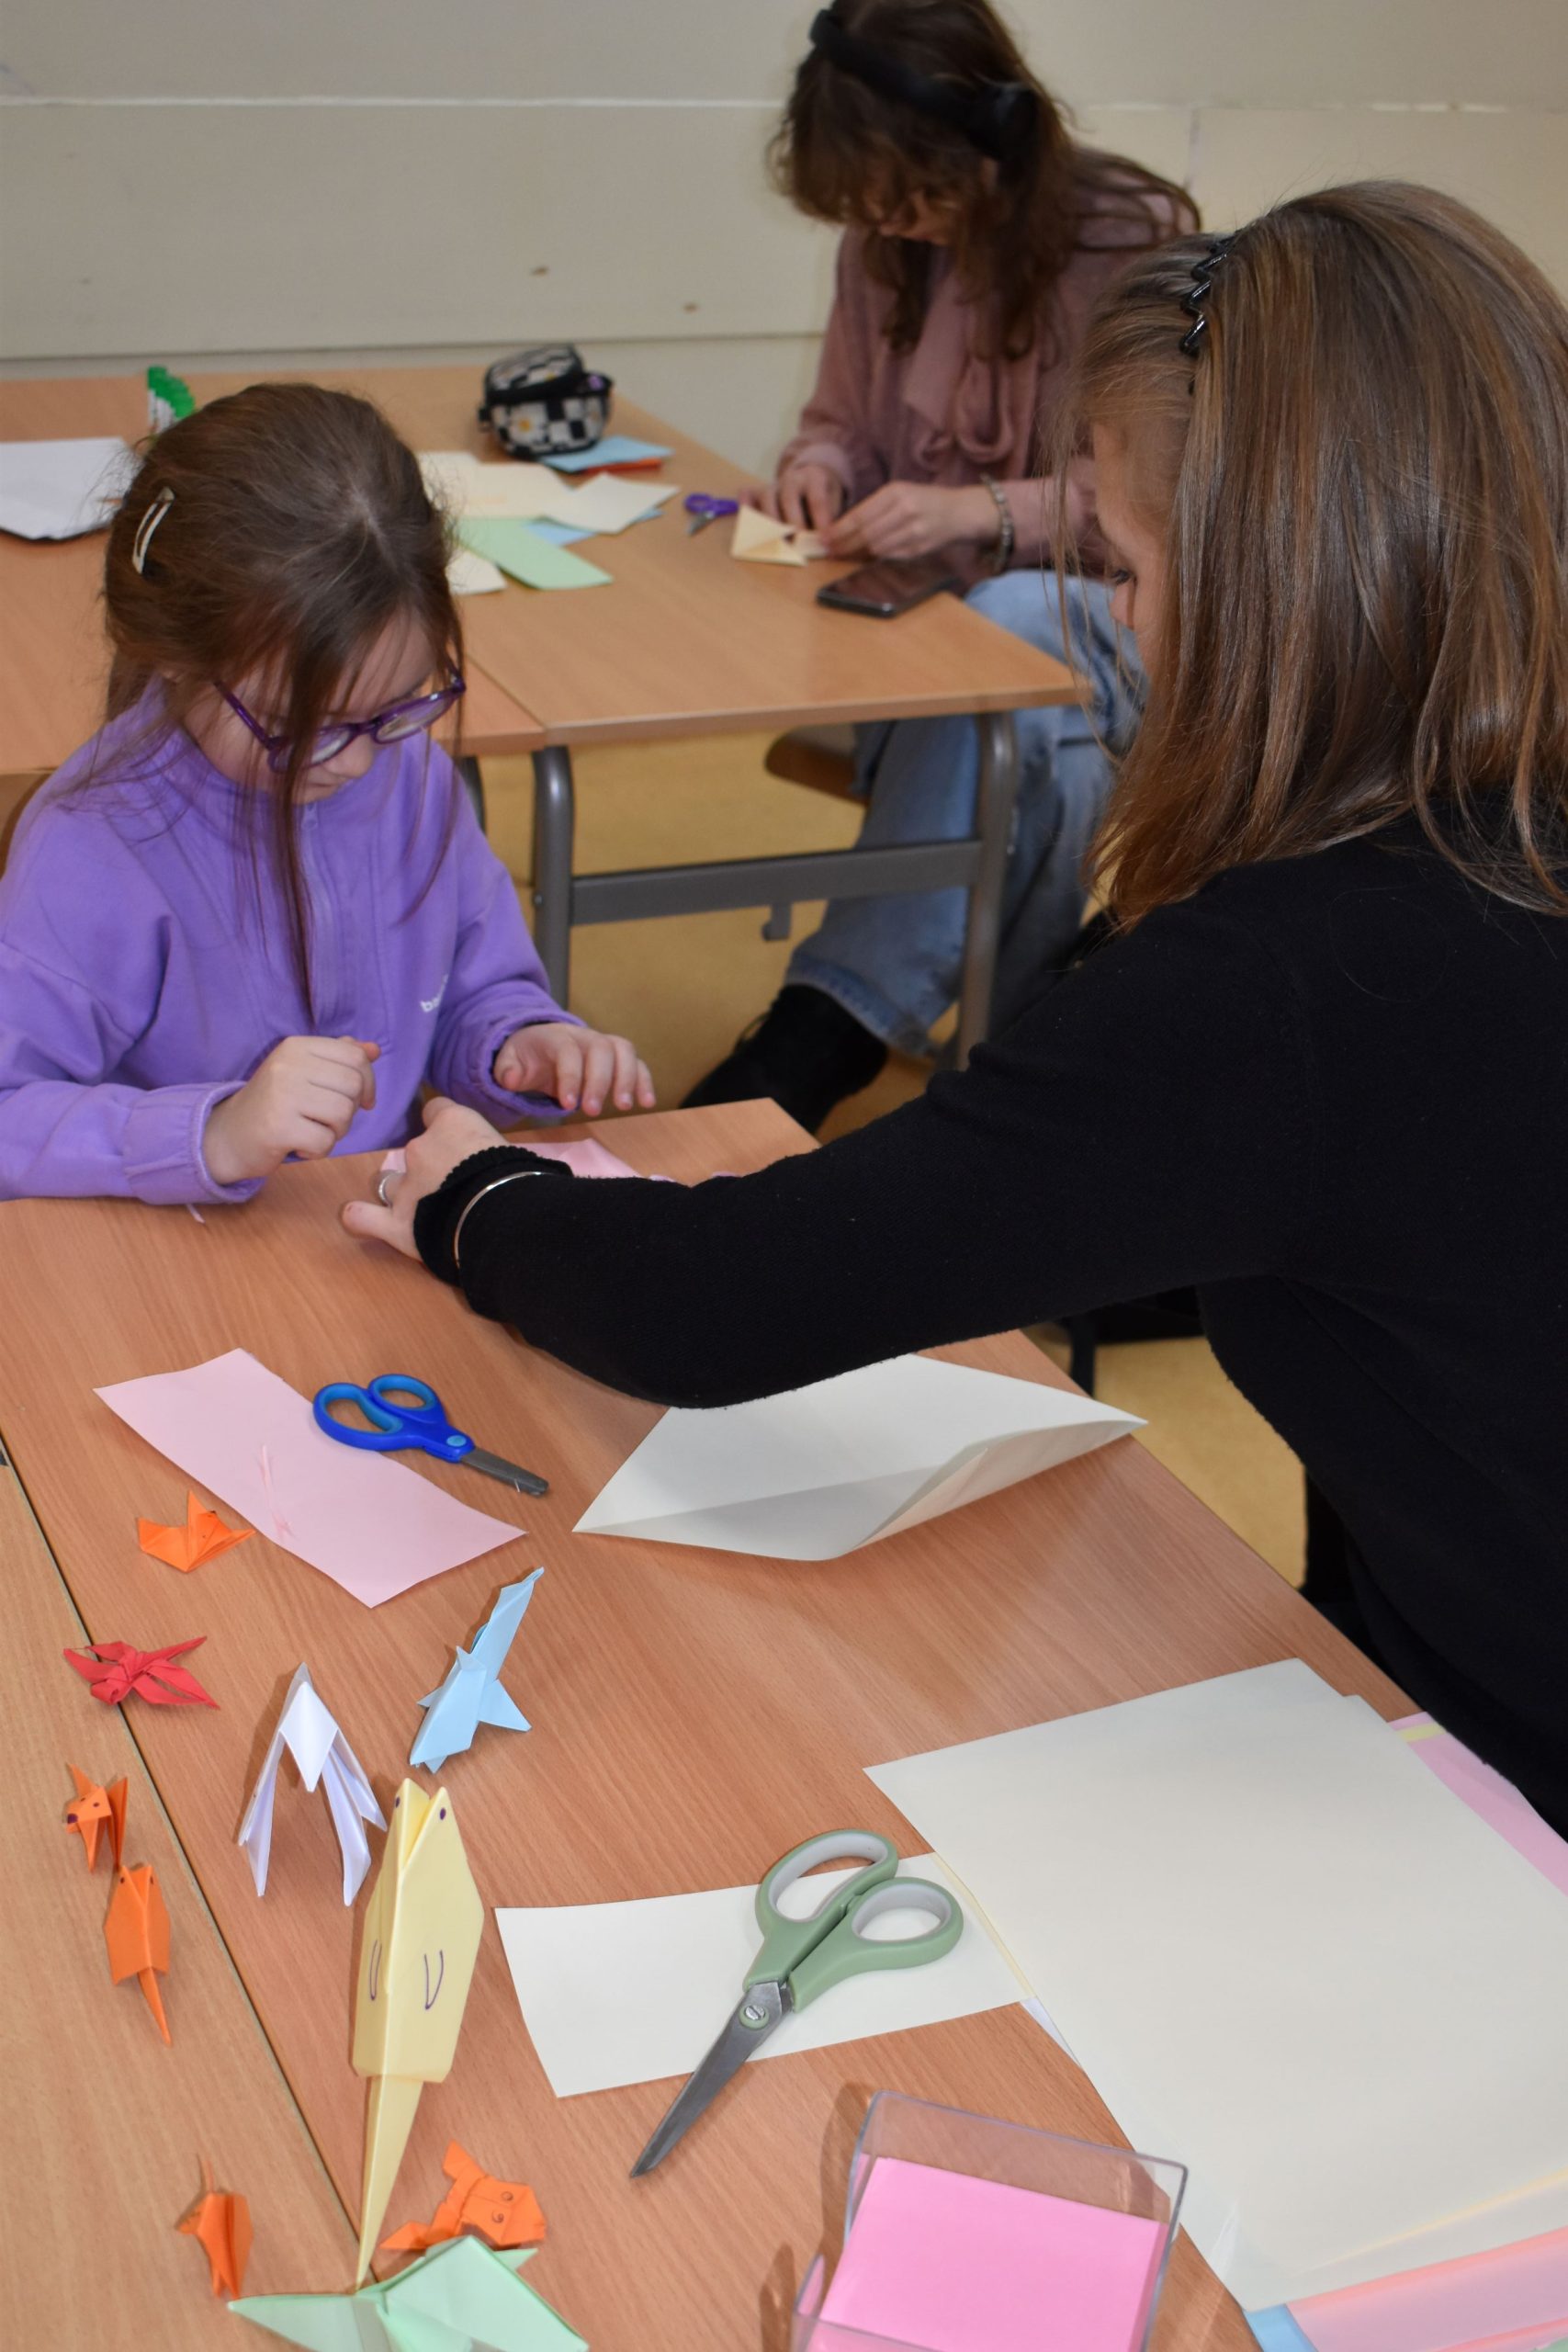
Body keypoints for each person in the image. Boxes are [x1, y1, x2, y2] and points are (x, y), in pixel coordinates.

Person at [344, 184, 1568, 1835]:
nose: (1121, 620)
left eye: (1127, 565)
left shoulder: (1291, 986)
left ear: (1277, 594)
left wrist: (480, 1198)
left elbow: (718, 1306)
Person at [683, 0, 1195, 1131]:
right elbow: (835, 424)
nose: (893, 227)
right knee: (1043, 751)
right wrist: (816, 473)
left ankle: (820, 1033)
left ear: (990, 142)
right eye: (872, 210)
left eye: (911, 198)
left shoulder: (1134, 240)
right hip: (935, 666)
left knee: (1011, 627)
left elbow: (1163, 501)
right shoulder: (883, 247)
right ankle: (1019, 1065)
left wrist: (976, 510)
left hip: (1112, 626)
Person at [0, 382, 651, 1204]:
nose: (353, 760)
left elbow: (474, 988)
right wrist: (213, 1133)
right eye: (291, 722)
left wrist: (520, 1042)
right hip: (178, 1240)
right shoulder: (94, 845)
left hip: (367, 1214)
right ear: (171, 654)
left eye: (396, 706)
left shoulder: (410, 771)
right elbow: (10, 1112)